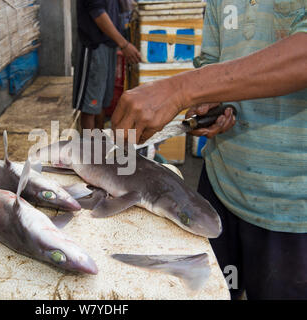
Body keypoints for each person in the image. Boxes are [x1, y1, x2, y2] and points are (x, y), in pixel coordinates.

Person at [112, 0, 306, 300]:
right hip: (219, 189)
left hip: (292, 211)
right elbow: (215, 63)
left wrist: (179, 89)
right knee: (209, 291)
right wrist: (216, 104)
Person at [73, 0, 142, 130]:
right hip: (94, 46)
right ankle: (89, 147)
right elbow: (98, 13)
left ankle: (98, 144)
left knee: (102, 102)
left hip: (110, 44)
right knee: (90, 105)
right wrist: (124, 44)